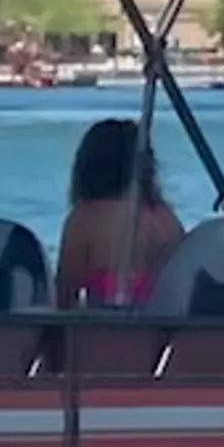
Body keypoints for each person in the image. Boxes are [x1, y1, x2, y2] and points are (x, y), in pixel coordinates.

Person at [56, 116, 183, 306]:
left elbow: (65, 296)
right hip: (158, 333)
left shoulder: (86, 220)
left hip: (102, 332)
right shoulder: (167, 219)